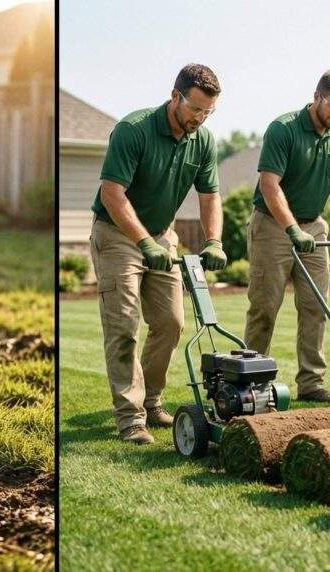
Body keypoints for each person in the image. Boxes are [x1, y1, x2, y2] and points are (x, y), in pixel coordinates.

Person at [90, 63, 226, 444]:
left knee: (171, 322)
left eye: (207, 112)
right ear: (175, 97)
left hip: (162, 236)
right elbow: (111, 194)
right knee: (124, 326)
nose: (199, 118)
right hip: (117, 234)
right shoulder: (134, 130)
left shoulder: (204, 141)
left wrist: (213, 240)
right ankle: (130, 418)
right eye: (194, 109)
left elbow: (210, 195)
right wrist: (143, 242)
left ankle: (150, 401)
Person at [244, 70, 330, 403]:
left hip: (314, 226)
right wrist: (291, 228)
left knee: (316, 307)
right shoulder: (283, 129)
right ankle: (250, 383)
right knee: (265, 307)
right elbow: (269, 185)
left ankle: (311, 383)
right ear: (317, 96)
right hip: (273, 225)